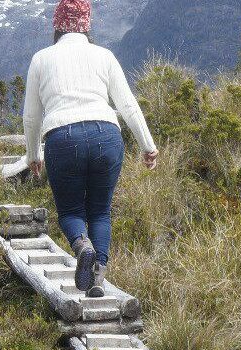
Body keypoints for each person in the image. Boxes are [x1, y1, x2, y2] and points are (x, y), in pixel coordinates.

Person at [23, 0, 159, 297]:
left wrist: (33, 154)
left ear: (57, 25)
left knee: (70, 211)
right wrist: (147, 145)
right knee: (100, 212)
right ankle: (97, 280)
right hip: (106, 134)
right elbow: (127, 105)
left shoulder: (41, 58)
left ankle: (81, 245)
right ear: (87, 25)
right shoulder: (105, 56)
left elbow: (31, 116)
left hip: (62, 137)